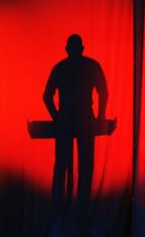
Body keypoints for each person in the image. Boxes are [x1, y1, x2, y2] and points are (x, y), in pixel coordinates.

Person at [43, 34, 108, 228]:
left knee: (61, 166)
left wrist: (57, 117)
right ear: (82, 48)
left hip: (65, 121)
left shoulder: (60, 68)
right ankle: (82, 214)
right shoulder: (91, 66)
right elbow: (103, 92)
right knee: (85, 167)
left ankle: (58, 213)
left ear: (67, 49)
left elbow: (47, 95)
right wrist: (100, 117)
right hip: (85, 120)